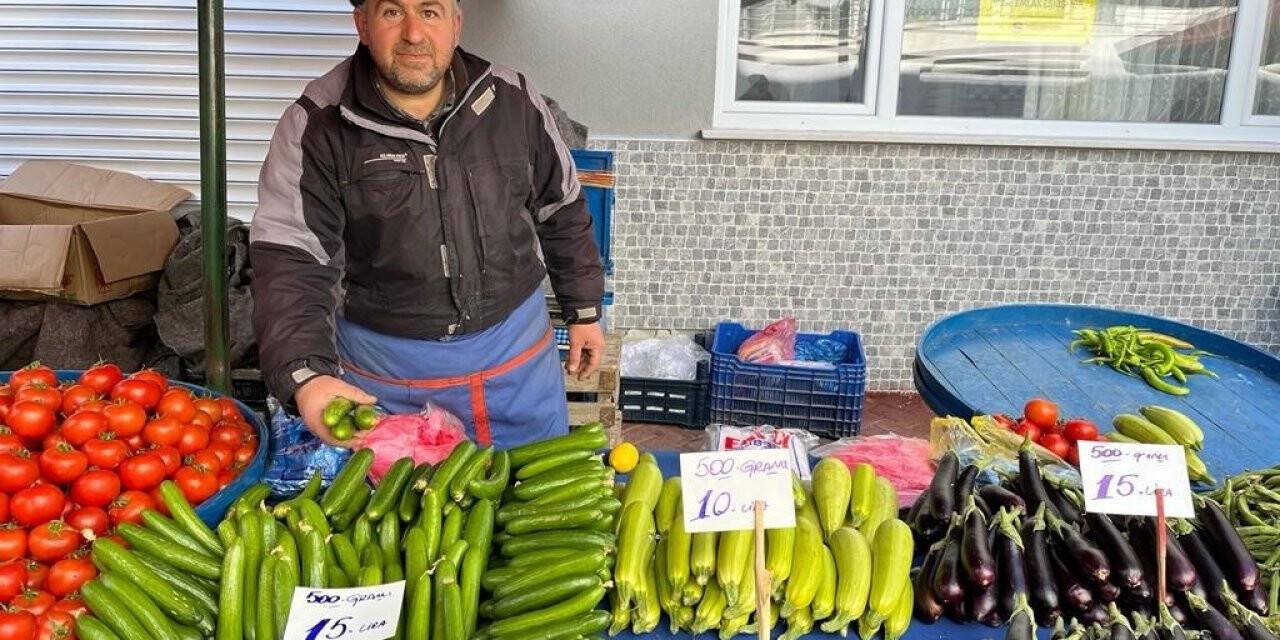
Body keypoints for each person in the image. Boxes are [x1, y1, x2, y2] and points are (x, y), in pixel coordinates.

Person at [249, 0, 606, 449]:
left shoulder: (513, 99)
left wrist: (584, 309)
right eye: (393, 12)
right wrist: (307, 374)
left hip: (516, 366)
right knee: (407, 514)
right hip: (390, 378)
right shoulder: (316, 124)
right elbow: (292, 259)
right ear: (362, 23)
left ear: (456, 24)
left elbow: (563, 209)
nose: (414, 34)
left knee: (532, 505)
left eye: (431, 11)